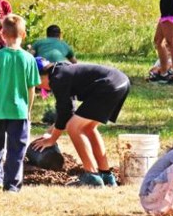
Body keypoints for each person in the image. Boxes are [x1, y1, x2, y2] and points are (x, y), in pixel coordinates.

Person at [30, 59, 131, 187]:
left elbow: (64, 113)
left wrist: (52, 139)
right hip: (120, 81)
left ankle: (92, 177)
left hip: (108, 85)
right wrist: (49, 133)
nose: (41, 88)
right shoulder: (61, 71)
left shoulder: (57, 79)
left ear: (40, 76)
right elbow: (68, 112)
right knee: (88, 128)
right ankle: (106, 175)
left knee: (74, 128)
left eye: (38, 84)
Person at [0, 14, 40, 192]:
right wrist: (29, 110)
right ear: (23, 35)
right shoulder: (29, 59)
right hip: (20, 111)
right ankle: (12, 185)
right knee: (17, 150)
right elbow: (32, 89)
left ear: (2, 33)